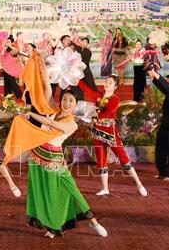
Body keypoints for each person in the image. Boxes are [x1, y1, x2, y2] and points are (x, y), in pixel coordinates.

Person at [26, 90, 108, 239]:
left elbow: (51, 123)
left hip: (54, 160)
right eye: (64, 99)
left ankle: (94, 221)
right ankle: (51, 226)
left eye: (71, 100)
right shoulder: (54, 111)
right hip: (37, 156)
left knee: (72, 190)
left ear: (76, 104)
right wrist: (45, 73)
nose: (67, 103)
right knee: (44, 192)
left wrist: (31, 114)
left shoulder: (72, 124)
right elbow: (48, 91)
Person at [79, 76, 147, 196]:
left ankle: (139, 184)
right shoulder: (99, 96)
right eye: (106, 81)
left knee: (123, 158)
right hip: (98, 132)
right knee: (101, 160)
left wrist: (91, 116)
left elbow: (105, 114)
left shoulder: (115, 99)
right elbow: (87, 90)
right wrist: (76, 80)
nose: (107, 83)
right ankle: (105, 188)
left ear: (115, 87)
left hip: (110, 132)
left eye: (110, 82)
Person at [147, 68, 169, 180]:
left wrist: (154, 73)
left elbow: (164, 85)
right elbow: (161, 85)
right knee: (160, 149)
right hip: (165, 124)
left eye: (168, 82)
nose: (166, 84)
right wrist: (151, 73)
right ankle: (163, 172)